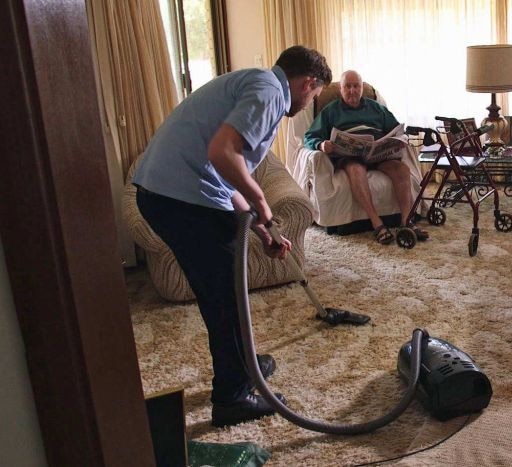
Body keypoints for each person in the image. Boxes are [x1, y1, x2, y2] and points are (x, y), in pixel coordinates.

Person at [133, 46, 332, 427]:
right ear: (308, 83)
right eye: (314, 95)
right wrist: (260, 199)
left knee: (223, 292)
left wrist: (261, 226)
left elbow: (223, 172)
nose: (309, 102)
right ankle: (233, 397)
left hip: (168, 194)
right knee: (225, 297)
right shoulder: (271, 93)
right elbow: (223, 152)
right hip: (182, 199)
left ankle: (243, 365)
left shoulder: (255, 83)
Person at [303, 70, 428, 244]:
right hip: (350, 157)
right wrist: (321, 144)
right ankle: (377, 224)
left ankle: (406, 221)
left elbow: (397, 129)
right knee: (355, 169)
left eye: (356, 86)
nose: (352, 90)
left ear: (362, 88)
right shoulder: (330, 111)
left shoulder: (376, 108)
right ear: (341, 88)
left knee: (402, 169)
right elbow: (309, 136)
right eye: (348, 86)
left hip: (378, 154)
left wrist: (399, 140)